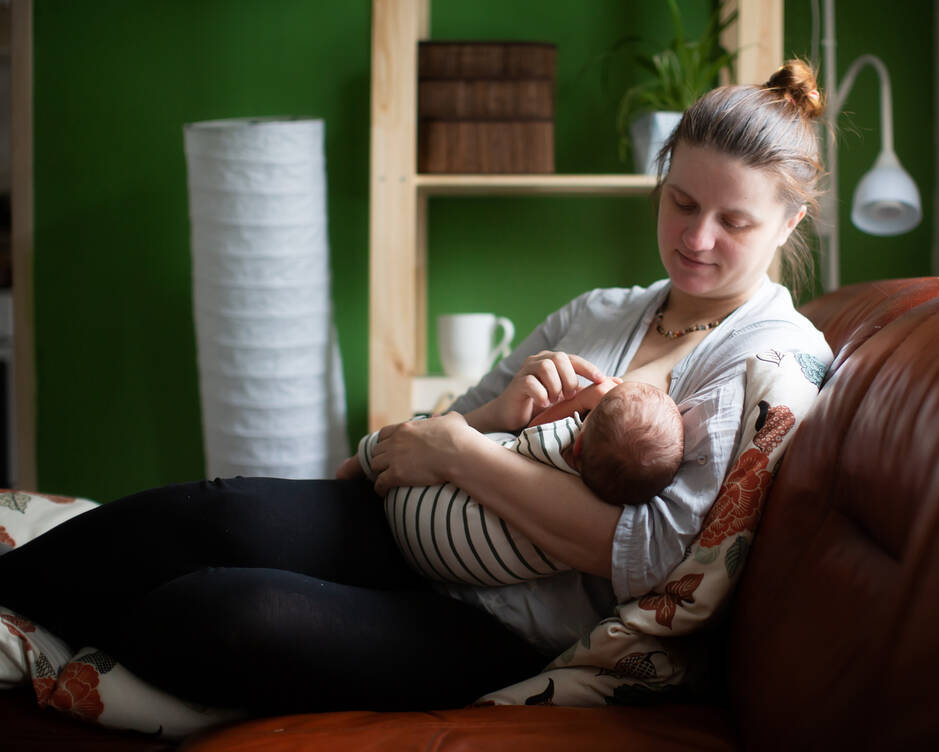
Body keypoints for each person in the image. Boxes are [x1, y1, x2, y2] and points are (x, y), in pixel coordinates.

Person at [0, 59, 832, 717]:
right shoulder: (599, 312)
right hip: (407, 529)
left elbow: (650, 557)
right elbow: (440, 427)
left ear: (790, 223)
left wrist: (465, 452)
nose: (695, 237)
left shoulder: (766, 361)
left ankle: (57, 639)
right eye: (681, 201)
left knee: (223, 614)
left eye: (734, 221)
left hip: (499, 623)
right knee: (213, 513)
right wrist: (490, 419)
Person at [342, 381, 684, 587]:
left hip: (417, 508)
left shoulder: (559, 443)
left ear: (578, 444)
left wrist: (581, 401)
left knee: (427, 427)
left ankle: (354, 464)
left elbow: (536, 423)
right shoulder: (610, 505)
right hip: (444, 562)